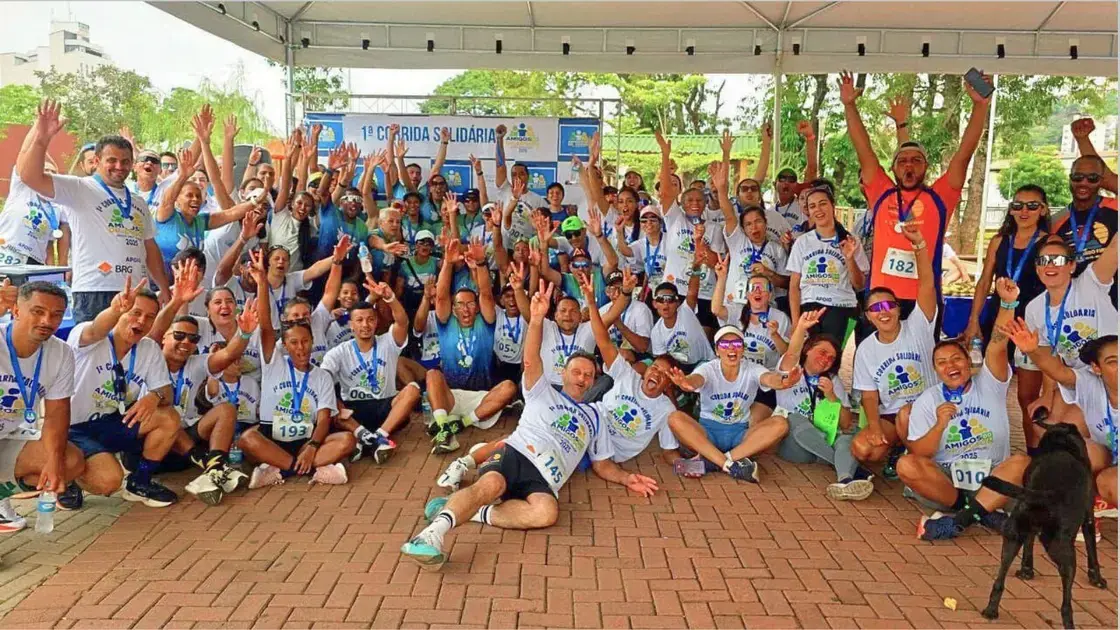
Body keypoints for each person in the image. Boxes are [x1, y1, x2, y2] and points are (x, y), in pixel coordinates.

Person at [400, 281, 618, 568]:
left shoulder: (595, 415)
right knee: (489, 485)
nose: (582, 378)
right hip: (517, 455)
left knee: (546, 513)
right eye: (576, 371)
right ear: (563, 372)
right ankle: (430, 535)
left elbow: (602, 464)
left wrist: (629, 479)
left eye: (589, 375)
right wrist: (537, 320)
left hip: (544, 480)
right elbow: (530, 360)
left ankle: (470, 511)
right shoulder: (542, 389)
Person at [842, 71, 992, 317]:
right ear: (892, 168)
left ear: (926, 167)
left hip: (923, 302)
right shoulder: (882, 194)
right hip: (882, 299)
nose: (909, 166)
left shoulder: (939, 198)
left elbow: (964, 153)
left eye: (916, 161)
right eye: (902, 161)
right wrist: (849, 106)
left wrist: (980, 106)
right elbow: (863, 148)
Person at [17, 100, 171, 323]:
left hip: (134, 292)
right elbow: (30, 176)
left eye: (125, 161)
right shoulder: (80, 188)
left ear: (132, 165)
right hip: (94, 289)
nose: (119, 166)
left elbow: (150, 247)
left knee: (128, 355)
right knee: (92, 354)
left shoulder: (138, 202)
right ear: (97, 161)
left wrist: (164, 287)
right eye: (112, 160)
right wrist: (42, 138)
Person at [901, 277, 1029, 540]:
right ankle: (979, 511)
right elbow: (919, 451)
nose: (951, 366)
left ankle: (958, 522)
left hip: (993, 474)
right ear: (936, 370)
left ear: (968, 362)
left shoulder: (990, 383)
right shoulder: (928, 399)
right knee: (906, 465)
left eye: (957, 358)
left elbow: (997, 343)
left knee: (1021, 463)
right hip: (949, 481)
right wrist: (939, 425)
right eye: (942, 362)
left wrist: (1007, 303)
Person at [239, 249, 355, 488]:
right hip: (273, 437)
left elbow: (323, 419)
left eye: (305, 342)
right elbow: (267, 326)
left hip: (306, 438)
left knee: (347, 441)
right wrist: (262, 282)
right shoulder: (274, 362)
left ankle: (280, 469)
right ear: (285, 345)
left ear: (313, 342)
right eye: (294, 343)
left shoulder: (321, 375)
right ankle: (306, 469)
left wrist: (312, 447)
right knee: (248, 439)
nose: (300, 348)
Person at [66, 277, 182, 508]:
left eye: (150, 317)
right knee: (108, 482)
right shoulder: (88, 337)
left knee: (169, 417)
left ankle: (140, 482)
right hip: (70, 428)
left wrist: (154, 396)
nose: (142, 321)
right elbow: (96, 328)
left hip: (112, 421)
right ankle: (68, 477)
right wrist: (114, 310)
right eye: (134, 312)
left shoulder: (148, 348)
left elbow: (166, 393)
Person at [964, 186, 1051, 450]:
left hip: (1031, 326)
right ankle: (984, 448)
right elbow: (983, 282)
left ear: (1044, 210)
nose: (1024, 211)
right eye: (1018, 205)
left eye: (1032, 206)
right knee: (989, 387)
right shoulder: (999, 241)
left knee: (1027, 397)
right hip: (1000, 319)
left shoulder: (1048, 242)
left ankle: (1034, 454)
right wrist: (973, 320)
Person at [851, 221, 938, 478]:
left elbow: (926, 285)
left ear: (899, 307)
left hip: (930, 407)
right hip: (891, 415)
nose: (884, 312)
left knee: (907, 414)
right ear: (868, 317)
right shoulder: (866, 349)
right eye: (875, 309)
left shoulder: (919, 325)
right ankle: (898, 449)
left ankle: (918, 465)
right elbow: (868, 395)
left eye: (888, 305)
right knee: (863, 448)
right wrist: (875, 426)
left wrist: (919, 246)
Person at [1003, 325, 1117, 513]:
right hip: (1108, 456)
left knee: (1110, 483)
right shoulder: (1090, 383)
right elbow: (1059, 372)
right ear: (1097, 368)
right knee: (1076, 449)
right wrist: (1033, 350)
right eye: (1113, 361)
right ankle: (1083, 511)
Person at [0, 282, 85, 528]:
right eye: (37, 311)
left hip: (9, 436)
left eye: (57, 314)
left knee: (68, 460)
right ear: (16, 311)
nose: (47, 320)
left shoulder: (61, 352)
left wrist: (53, 462)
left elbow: (57, 414)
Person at [666, 326, 798, 482]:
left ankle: (715, 462)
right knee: (674, 418)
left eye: (736, 344)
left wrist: (783, 381)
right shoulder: (708, 368)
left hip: (739, 435)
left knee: (781, 424)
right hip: (708, 434)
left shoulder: (752, 369)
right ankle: (731, 465)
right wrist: (686, 383)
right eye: (724, 345)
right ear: (716, 350)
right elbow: (696, 380)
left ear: (743, 349)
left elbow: (769, 378)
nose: (731, 349)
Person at [425, 240, 517, 453]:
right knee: (432, 375)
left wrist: (482, 263)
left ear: (476, 307)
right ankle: (443, 430)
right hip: (450, 396)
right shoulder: (446, 323)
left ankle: (460, 424)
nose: (465, 309)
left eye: (470, 303)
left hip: (480, 399)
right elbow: (440, 295)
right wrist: (448, 263)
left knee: (509, 387)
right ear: (453, 308)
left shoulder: (485, 321)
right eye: (460, 304)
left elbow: (485, 293)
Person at [771, 310, 872, 500]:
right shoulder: (791, 369)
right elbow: (792, 352)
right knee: (794, 419)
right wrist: (801, 327)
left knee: (845, 439)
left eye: (832, 358)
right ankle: (849, 467)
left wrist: (832, 396)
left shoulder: (832, 380)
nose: (826, 359)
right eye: (822, 352)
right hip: (794, 446)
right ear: (808, 349)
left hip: (821, 447)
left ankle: (844, 480)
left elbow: (845, 423)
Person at [1023, 235, 1118, 428]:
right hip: (1079, 379)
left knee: (1079, 428)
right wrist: (1047, 395)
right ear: (1037, 268)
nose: (1050, 266)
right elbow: (1050, 357)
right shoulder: (1034, 309)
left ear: (1072, 266)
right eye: (1043, 261)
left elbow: (1116, 246)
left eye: (1058, 260)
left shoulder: (1091, 282)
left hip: (1113, 371)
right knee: (1055, 426)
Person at [321, 282, 418, 463]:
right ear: (351, 325)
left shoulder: (388, 342)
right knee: (331, 401)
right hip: (353, 410)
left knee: (412, 389)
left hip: (385, 408)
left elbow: (402, 322)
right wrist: (335, 403)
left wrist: (390, 298)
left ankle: (375, 437)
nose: (365, 325)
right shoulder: (338, 352)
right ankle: (368, 437)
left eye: (370, 319)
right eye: (359, 320)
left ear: (377, 322)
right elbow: (322, 380)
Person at [786, 185, 868, 342]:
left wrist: (849, 258)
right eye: (812, 206)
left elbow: (859, 285)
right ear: (808, 211)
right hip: (809, 308)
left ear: (833, 206)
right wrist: (796, 322)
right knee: (808, 359)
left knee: (832, 359)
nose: (818, 209)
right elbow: (794, 287)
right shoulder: (802, 242)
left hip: (842, 308)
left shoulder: (850, 240)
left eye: (823, 203)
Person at [1050, 152, 1118, 305]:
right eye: (1077, 177)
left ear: (1101, 181)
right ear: (1070, 179)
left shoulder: (1116, 208)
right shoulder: (1056, 221)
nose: (1084, 183)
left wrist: (1082, 138)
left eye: (1092, 178)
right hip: (1075, 305)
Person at [710, 257, 790, 370]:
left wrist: (775, 335)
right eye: (753, 288)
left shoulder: (780, 317)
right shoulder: (737, 311)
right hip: (739, 372)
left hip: (767, 374)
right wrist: (722, 277)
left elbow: (786, 353)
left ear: (770, 295)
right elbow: (716, 310)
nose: (757, 291)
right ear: (747, 294)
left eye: (762, 288)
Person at [1, 132, 68, 266]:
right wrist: (41, 136)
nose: (49, 175)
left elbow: (49, 245)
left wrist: (50, 269)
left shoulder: (56, 208)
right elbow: (25, 155)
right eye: (45, 171)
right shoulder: (22, 187)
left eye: (53, 173)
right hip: (6, 251)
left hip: (34, 261)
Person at [650, 282, 714, 371]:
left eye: (670, 300)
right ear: (654, 304)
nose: (666, 305)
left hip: (705, 362)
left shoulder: (686, 311)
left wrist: (696, 271)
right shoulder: (656, 332)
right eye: (661, 300)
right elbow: (663, 360)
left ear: (678, 303)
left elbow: (692, 293)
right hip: (679, 367)